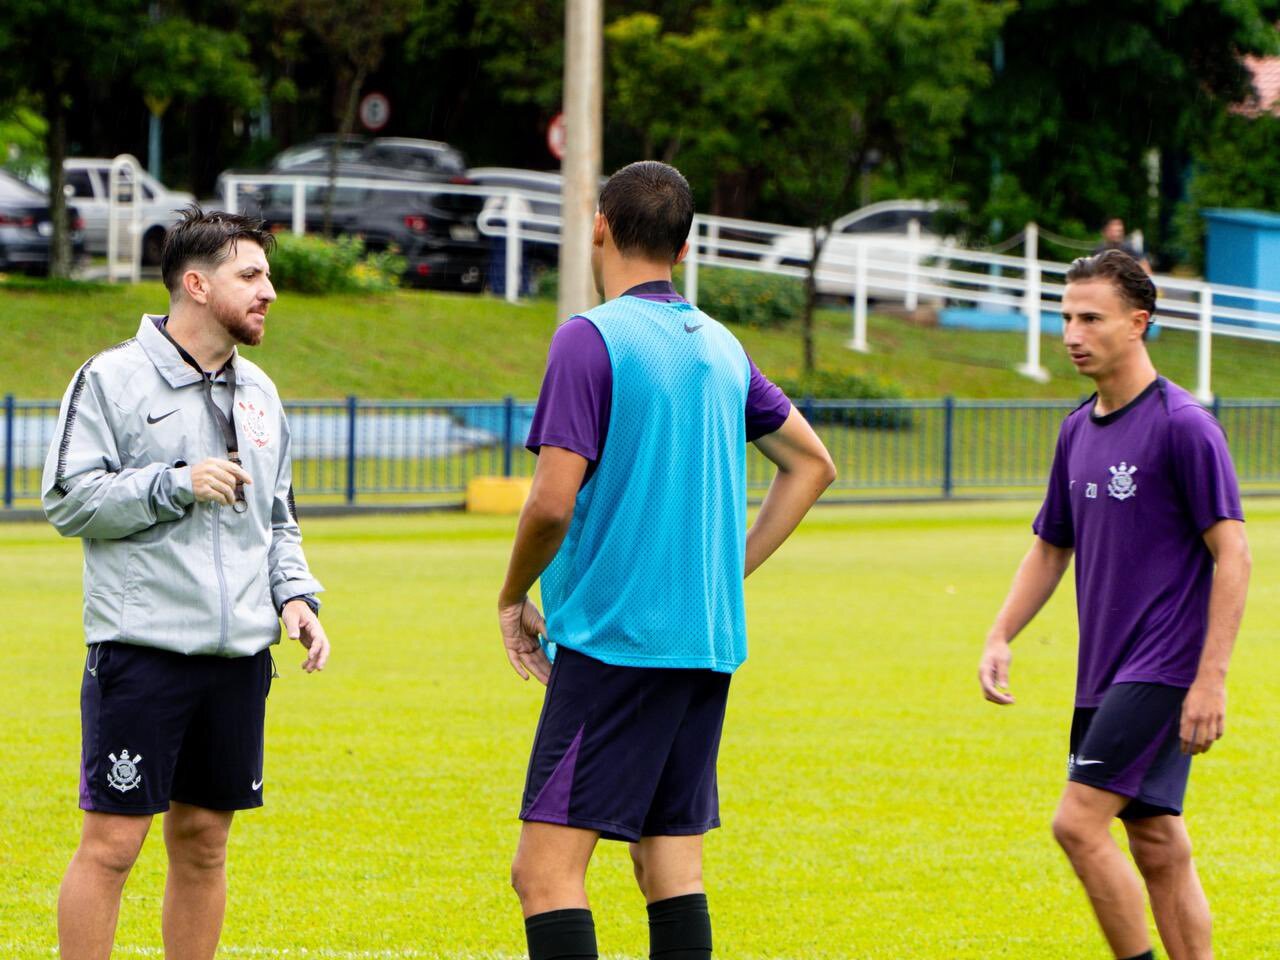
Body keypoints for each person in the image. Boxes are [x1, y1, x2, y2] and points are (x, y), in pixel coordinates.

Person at [498, 161, 835, 960]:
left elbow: (550, 503)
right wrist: (722, 573)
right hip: (703, 643)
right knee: (668, 865)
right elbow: (812, 465)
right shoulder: (721, 346)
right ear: (684, 248)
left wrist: (511, 595)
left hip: (617, 641)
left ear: (600, 227)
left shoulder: (590, 339)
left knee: (544, 874)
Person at [43, 205, 330, 960]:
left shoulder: (261, 391)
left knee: (205, 842)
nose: (269, 291)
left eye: (267, 276)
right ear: (196, 285)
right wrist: (174, 483)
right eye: (251, 275)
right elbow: (67, 498)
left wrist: (295, 596)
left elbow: (279, 518)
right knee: (113, 846)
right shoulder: (110, 379)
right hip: (142, 652)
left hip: (238, 659)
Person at [978, 249, 1250, 960]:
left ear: (1138, 322)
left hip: (1161, 665)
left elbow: (1234, 554)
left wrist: (1211, 679)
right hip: (1103, 670)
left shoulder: (1184, 425)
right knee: (1154, 838)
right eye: (1066, 317)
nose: (1072, 334)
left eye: (1091, 319)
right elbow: (1051, 547)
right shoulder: (1076, 428)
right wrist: (1001, 634)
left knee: (1078, 824)